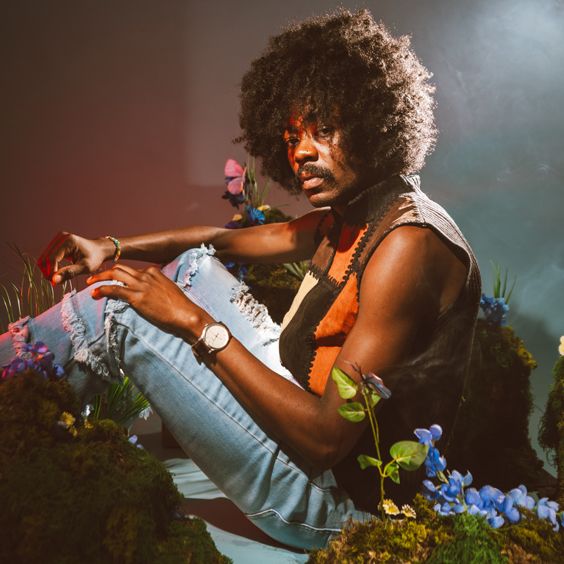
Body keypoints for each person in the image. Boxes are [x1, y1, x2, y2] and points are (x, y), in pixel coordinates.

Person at [0, 10, 480, 549]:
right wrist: (110, 247)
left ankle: (13, 405)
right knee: (192, 266)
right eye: (293, 137)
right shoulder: (357, 214)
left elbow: (326, 440)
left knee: (119, 310)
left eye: (324, 130)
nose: (301, 153)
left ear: (375, 123)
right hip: (303, 419)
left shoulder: (407, 245)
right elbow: (219, 241)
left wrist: (195, 324)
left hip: (335, 502)